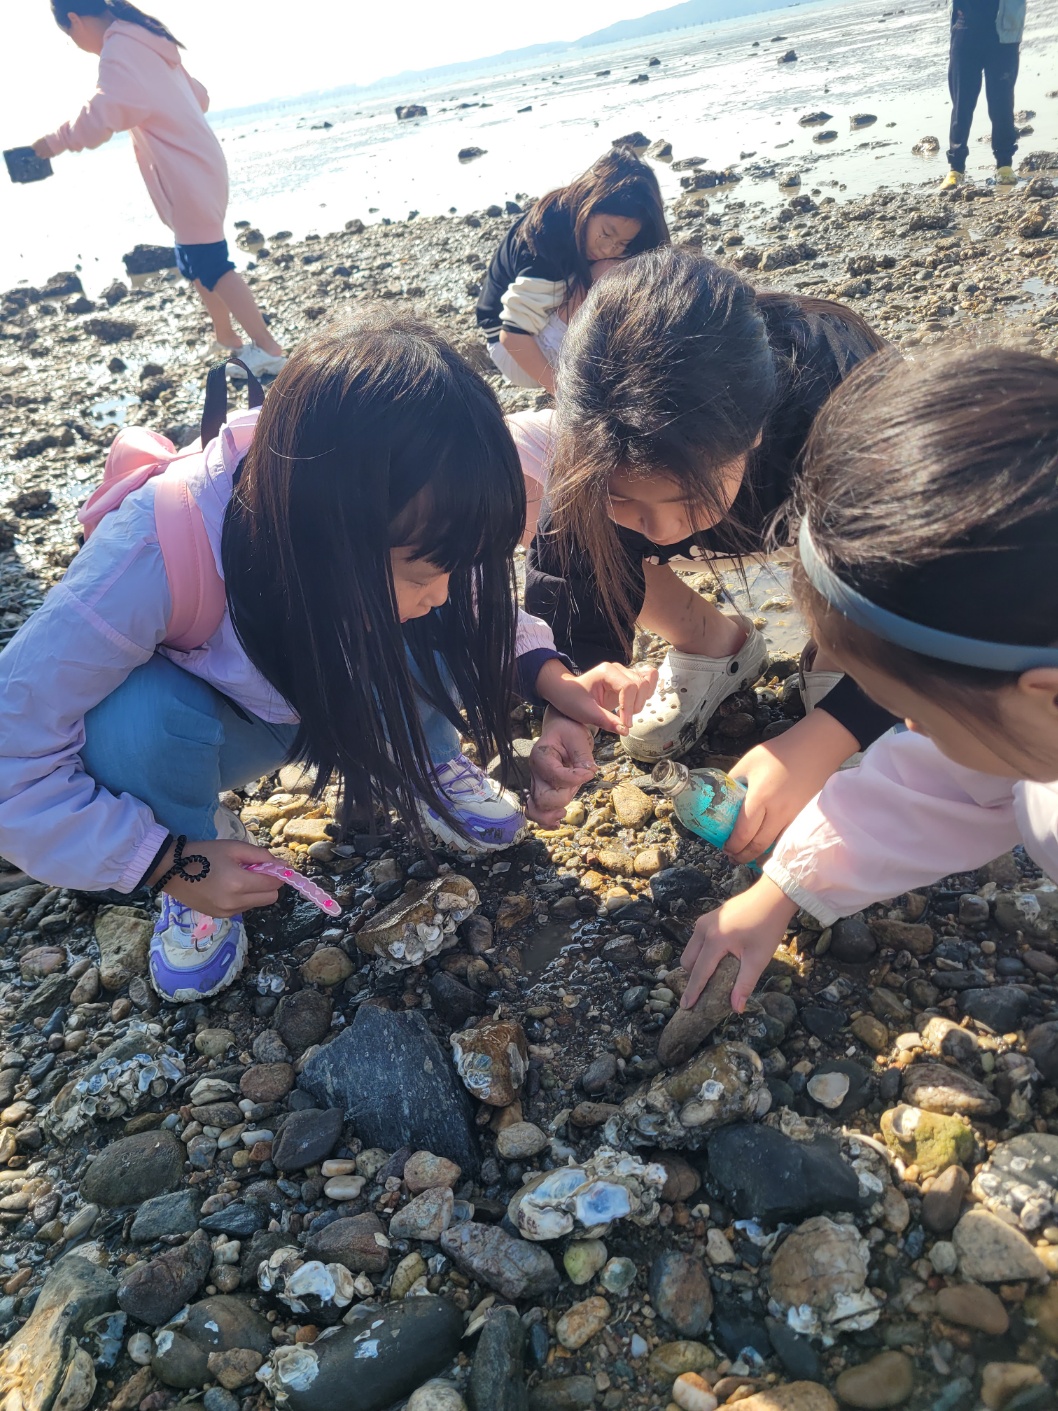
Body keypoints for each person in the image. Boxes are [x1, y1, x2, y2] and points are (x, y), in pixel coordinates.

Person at [0, 311, 651, 1004]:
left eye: (457, 567)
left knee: (421, 606)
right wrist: (165, 862)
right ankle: (197, 840)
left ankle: (423, 757)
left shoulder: (402, 520)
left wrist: (550, 678)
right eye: (425, 571)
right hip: (225, 720)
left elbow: (463, 597)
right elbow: (13, 753)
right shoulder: (153, 549)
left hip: (341, 680)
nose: (444, 593)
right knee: (129, 720)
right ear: (321, 537)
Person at [679, 347, 1058, 1013]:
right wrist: (783, 886)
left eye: (922, 714)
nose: (909, 729)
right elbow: (946, 782)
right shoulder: (1026, 726)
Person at [525, 247, 892, 859]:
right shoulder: (600, 439)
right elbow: (569, 577)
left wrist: (828, 736)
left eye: (683, 499)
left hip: (817, 500)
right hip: (726, 498)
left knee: (846, 566)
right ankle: (714, 646)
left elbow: (929, 592)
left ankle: (839, 655)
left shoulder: (846, 403)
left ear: (752, 433)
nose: (661, 530)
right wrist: (571, 702)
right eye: (623, 498)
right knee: (595, 536)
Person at [30, 1, 286, 379]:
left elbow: (104, 112)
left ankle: (268, 349)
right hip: (196, 163)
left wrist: (53, 143)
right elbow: (199, 96)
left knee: (211, 263)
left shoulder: (121, 48)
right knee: (192, 260)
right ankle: (227, 338)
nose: (77, 45)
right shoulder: (145, 38)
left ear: (74, 20)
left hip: (186, 173)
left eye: (70, 37)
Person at [475, 147, 670, 393]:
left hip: (535, 327)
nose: (608, 248)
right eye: (606, 233)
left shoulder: (573, 216)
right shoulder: (547, 239)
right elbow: (511, 336)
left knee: (636, 269)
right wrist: (562, 393)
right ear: (589, 204)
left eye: (622, 242)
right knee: (609, 271)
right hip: (516, 352)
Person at [939, 0, 1026, 189]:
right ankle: (956, 168)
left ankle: (1004, 165)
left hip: (1005, 31)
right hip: (965, 29)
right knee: (962, 104)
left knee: (1002, 102)